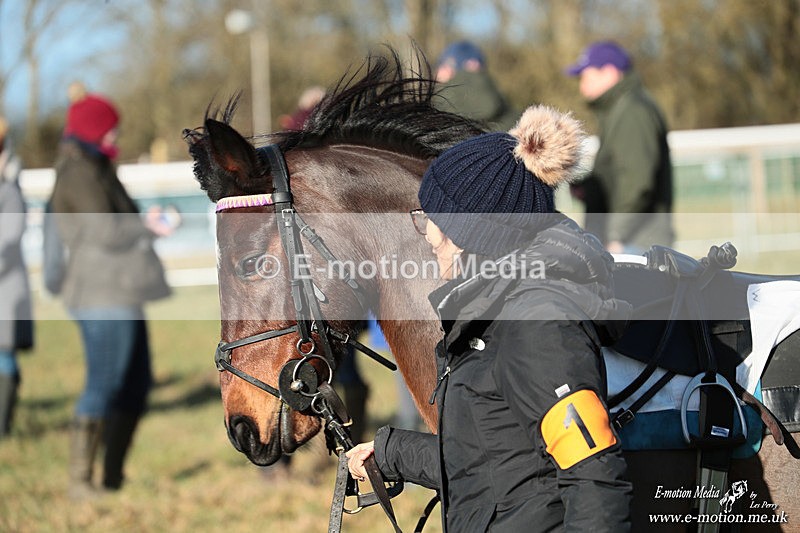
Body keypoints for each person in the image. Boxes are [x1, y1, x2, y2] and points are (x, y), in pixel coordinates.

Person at [347, 105, 633, 531]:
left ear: (472, 234)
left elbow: (595, 479)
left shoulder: (535, 323)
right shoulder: (491, 311)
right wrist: (391, 453)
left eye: (431, 219)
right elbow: (493, 455)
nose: (426, 234)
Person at [49, 90, 174, 498]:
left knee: (135, 385)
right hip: (100, 294)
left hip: (120, 290)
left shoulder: (98, 166)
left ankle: (112, 476)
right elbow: (103, 230)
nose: (115, 133)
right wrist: (148, 225)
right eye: (110, 127)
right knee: (103, 383)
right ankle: (79, 483)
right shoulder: (77, 173)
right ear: (91, 129)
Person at [565, 41, 674, 254]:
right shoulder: (619, 110)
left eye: (586, 76)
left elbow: (637, 180)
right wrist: (590, 188)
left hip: (634, 244)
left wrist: (616, 236)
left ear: (609, 72)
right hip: (628, 240)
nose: (582, 86)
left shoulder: (632, 111)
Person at [0, 116, 33, 438]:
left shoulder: (8, 192)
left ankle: (3, 427)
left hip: (4, 291)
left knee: (4, 357)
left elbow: (7, 241)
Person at [432, 40, 519, 132]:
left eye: (441, 68)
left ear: (448, 70)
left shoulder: (434, 121)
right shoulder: (521, 123)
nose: (436, 76)